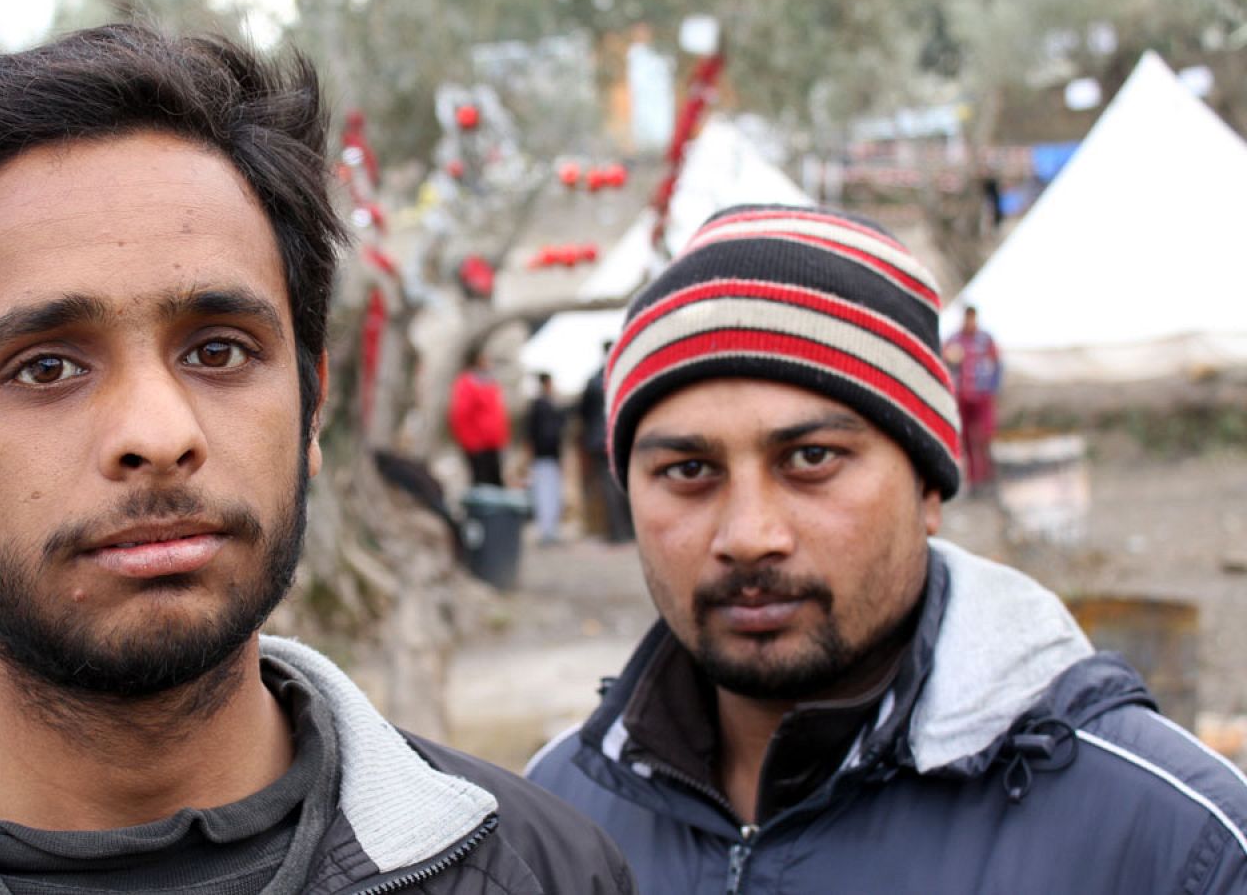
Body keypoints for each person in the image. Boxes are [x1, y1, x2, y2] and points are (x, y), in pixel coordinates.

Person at [0, 26, 635, 895]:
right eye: (44, 367)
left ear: (311, 410)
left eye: (218, 350)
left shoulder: (547, 870)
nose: (159, 433)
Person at [526, 204, 1247, 893]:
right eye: (688, 472)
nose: (748, 535)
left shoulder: (1175, 843)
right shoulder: (553, 817)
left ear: (928, 486)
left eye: (811, 459)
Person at [943, 305, 1002, 491]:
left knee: (985, 434)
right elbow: (945, 361)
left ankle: (989, 475)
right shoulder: (954, 339)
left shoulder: (985, 339)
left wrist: (992, 387)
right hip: (963, 394)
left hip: (981, 393)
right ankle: (973, 479)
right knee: (966, 437)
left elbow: (997, 363)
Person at [578, 342, 632, 542]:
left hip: (598, 439)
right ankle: (626, 531)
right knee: (625, 483)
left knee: (609, 486)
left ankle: (617, 532)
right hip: (619, 435)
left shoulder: (594, 380)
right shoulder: (623, 373)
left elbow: (583, 413)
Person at [447, 346, 509, 487]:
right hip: (477, 446)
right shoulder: (467, 384)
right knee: (481, 483)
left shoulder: (491, 384)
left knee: (496, 482)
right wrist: (471, 442)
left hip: (493, 444)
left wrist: (501, 440)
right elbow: (460, 415)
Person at [525, 371, 566, 544]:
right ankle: (547, 531)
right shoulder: (542, 405)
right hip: (545, 456)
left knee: (551, 493)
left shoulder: (543, 404)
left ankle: (550, 530)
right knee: (545, 493)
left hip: (548, 456)